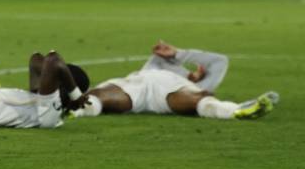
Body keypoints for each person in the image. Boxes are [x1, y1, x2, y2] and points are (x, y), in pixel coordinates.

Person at [71, 40, 278, 121]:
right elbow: (157, 56)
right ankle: (72, 111)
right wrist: (175, 56)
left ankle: (238, 111)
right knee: (100, 95)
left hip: (172, 91)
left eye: (202, 69)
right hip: (137, 82)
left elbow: (220, 61)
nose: (198, 70)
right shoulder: (161, 64)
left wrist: (181, 54)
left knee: (200, 100)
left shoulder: (197, 86)